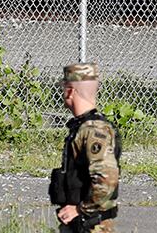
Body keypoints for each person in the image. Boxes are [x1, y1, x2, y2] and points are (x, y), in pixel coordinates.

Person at [50, 63, 120, 233]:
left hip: (91, 225)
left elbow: (107, 179)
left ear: (70, 91)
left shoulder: (94, 130)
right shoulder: (83, 127)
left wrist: (80, 209)